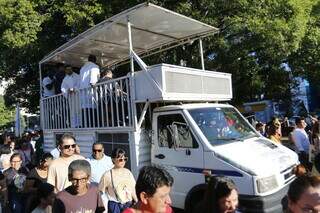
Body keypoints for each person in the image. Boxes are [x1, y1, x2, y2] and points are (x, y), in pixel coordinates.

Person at [99, 148, 137, 213]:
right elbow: (100, 192)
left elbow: (133, 189)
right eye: (120, 159)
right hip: (115, 207)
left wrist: (136, 200)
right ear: (113, 159)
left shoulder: (128, 172)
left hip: (129, 205)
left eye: (125, 159)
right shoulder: (107, 175)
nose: (123, 161)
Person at [79, 54, 100, 127]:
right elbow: (93, 81)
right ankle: (93, 126)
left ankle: (85, 127)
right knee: (92, 113)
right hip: (90, 93)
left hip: (82, 93)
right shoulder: (94, 67)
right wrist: (98, 91)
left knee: (85, 112)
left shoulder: (82, 68)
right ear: (95, 60)